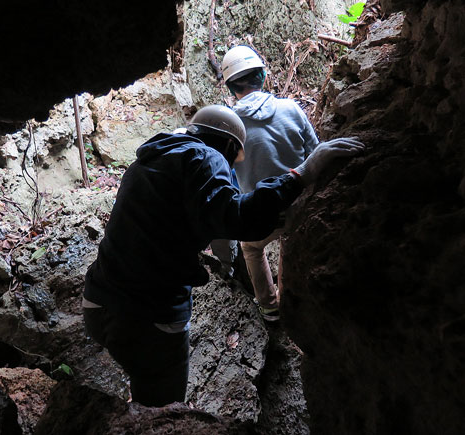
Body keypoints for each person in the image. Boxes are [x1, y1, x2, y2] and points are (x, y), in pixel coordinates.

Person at [82, 104, 364, 407]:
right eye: (234, 159)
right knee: (162, 413)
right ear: (229, 145)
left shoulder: (151, 159)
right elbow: (236, 218)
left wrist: (228, 261)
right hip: (149, 318)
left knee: (143, 382)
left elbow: (208, 219)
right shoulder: (206, 156)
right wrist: (302, 173)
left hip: (97, 304)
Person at [221, 45, 358, 322]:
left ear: (231, 87)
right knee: (289, 238)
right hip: (301, 205)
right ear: (262, 76)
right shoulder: (291, 109)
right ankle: (288, 294)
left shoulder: (226, 126)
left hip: (261, 213)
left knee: (251, 248)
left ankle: (269, 306)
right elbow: (316, 153)